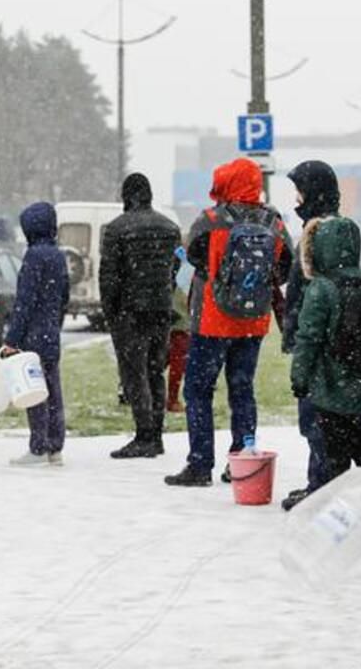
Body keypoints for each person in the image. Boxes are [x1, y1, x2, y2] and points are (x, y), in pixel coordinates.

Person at [165, 158, 291, 487]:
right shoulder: (274, 222)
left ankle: (200, 464)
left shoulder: (210, 221)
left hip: (212, 320)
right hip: (254, 320)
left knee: (198, 390)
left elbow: (192, 259)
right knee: (242, 389)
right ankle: (243, 457)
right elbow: (286, 267)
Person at [288, 216, 361, 493]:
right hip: (360, 381)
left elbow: (308, 337)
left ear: (321, 247)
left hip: (329, 384)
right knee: (359, 443)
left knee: (333, 452)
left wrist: (299, 378)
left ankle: (333, 505)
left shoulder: (321, 287)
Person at [99, 173, 181, 459]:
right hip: (161, 309)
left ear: (126, 196)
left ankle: (144, 435)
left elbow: (108, 277)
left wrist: (110, 313)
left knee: (134, 374)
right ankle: (156, 434)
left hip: (129, 312)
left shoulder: (116, 229)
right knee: (156, 371)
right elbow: (176, 270)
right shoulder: (169, 227)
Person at [279, 160, 343, 510]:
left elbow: (311, 293)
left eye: (300, 192)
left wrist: (300, 336)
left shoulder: (319, 233)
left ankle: (320, 488)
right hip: (327, 340)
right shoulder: (330, 228)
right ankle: (319, 484)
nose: (296, 200)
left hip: (317, 341)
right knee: (322, 420)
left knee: (315, 420)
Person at [2, 202, 70, 467]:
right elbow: (64, 296)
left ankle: (38, 446)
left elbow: (24, 301)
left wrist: (12, 340)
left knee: (34, 391)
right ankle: (55, 447)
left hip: (33, 336)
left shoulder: (33, 257)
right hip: (51, 332)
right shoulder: (57, 255)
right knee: (53, 391)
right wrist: (55, 324)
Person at [165, 256, 191, 415]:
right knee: (178, 363)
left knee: (173, 362)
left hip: (177, 321)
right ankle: (172, 400)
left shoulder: (183, 266)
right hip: (181, 323)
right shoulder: (187, 268)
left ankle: (170, 398)